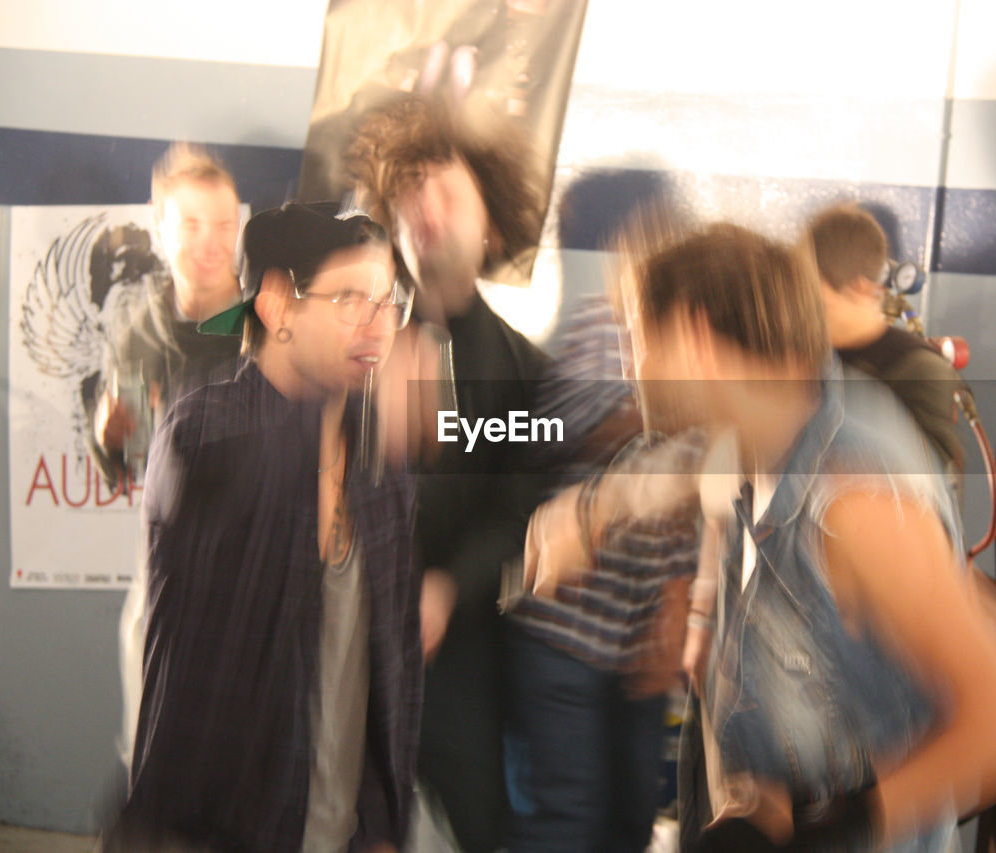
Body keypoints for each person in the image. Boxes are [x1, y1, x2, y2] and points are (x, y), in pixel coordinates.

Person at [526, 221, 996, 851]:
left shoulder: (853, 500)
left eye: (638, 336)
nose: (629, 363)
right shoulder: (749, 443)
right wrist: (594, 515)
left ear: (696, 337)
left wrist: (832, 827)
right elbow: (680, 472)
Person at [108, 202, 421, 853]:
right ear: (277, 306)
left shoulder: (382, 472)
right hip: (218, 831)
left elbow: (382, 669)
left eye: (389, 301)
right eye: (349, 298)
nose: (379, 324)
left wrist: (383, 822)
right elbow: (254, 473)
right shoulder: (204, 430)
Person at [346, 95, 551, 852]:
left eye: (448, 188)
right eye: (410, 187)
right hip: (338, 648)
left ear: (491, 222)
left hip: (458, 665)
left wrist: (447, 586)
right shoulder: (338, 351)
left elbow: (521, 510)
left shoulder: (530, 376)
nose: (425, 206)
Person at [502, 296, 699, 852]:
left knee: (632, 818)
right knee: (565, 819)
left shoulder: (705, 360)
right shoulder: (604, 325)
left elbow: (695, 500)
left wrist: (677, 606)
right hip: (566, 629)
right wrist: (660, 403)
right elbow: (549, 432)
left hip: (642, 637)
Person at [90, 142, 244, 491]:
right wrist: (109, 438)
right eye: (191, 224)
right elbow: (120, 466)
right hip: (173, 539)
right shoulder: (135, 337)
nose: (210, 242)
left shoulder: (271, 323)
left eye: (223, 224)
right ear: (158, 224)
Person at [800, 202, 966, 474]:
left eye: (818, 300)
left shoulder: (919, 370)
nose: (805, 311)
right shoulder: (811, 356)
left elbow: (937, 493)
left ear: (860, 288)